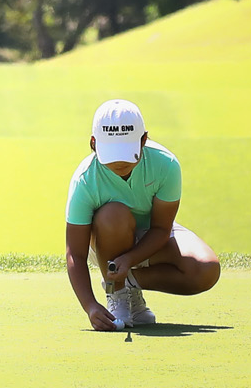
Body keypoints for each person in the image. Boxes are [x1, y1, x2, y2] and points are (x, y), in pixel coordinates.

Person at [64, 99, 221, 331]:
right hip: (105, 242)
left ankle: (128, 283)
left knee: (206, 269)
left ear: (144, 140)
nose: (119, 162)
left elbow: (161, 229)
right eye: (111, 153)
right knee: (113, 214)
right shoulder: (85, 180)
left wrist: (129, 260)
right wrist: (90, 306)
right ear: (93, 143)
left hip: (152, 237)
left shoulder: (166, 164)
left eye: (127, 152)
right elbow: (75, 253)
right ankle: (116, 294)